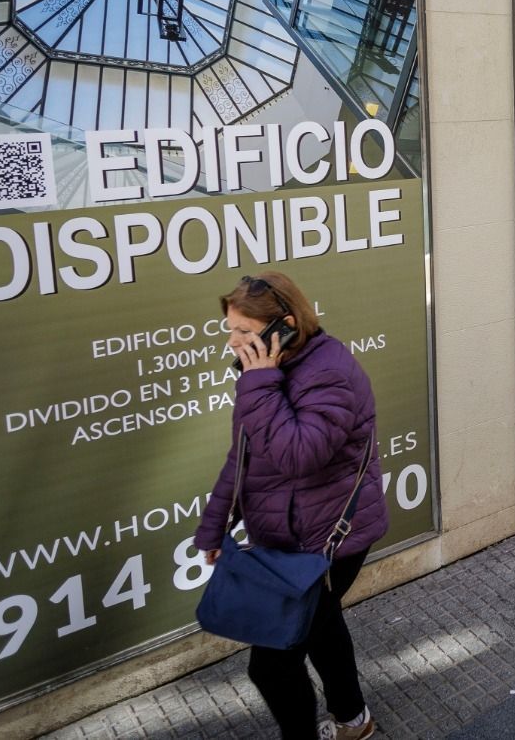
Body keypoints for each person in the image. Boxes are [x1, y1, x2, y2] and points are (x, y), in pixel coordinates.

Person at [195, 272, 387, 740]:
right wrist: (214, 525)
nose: (232, 339)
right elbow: (245, 457)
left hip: (327, 543)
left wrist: (260, 383)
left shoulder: (329, 372)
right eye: (229, 328)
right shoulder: (267, 371)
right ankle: (353, 721)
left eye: (243, 330)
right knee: (321, 627)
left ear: (282, 325)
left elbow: (297, 456)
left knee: (271, 666)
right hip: (288, 538)